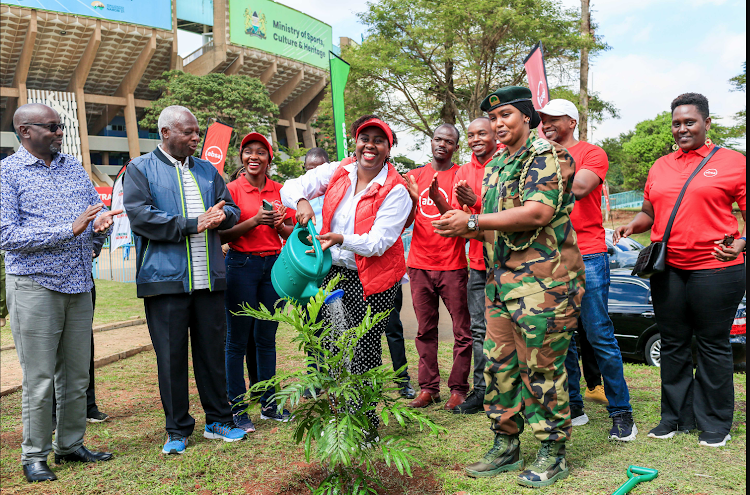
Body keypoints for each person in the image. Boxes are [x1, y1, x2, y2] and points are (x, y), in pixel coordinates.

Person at [433, 87, 584, 488]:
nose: (498, 125)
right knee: (500, 366)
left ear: (527, 118)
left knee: (542, 369)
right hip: (502, 284)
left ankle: (552, 452)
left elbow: (537, 211)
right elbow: (497, 221)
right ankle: (505, 443)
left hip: (543, 286)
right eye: (494, 118)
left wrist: (472, 223)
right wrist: (468, 221)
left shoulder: (549, 155)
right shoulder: (499, 161)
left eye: (505, 116)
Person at [614, 92, 746, 448]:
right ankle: (674, 418)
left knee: (712, 344)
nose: (682, 129)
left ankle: (715, 423)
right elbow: (650, 212)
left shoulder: (734, 162)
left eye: (690, 122)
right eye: (677, 123)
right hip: (668, 269)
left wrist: (742, 242)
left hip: (716, 269)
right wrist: (631, 225)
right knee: (673, 344)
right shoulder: (661, 165)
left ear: (707, 123)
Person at [1, 103, 119, 482]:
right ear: (25, 132)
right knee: (39, 378)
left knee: (76, 374)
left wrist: (99, 225)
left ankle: (69, 444)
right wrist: (67, 229)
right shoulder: (7, 174)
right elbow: (7, 236)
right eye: (51, 127)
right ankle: (34, 455)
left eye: (60, 126)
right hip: (34, 285)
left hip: (79, 282)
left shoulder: (72, 167)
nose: (58, 132)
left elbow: (94, 212)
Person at [123, 105, 246, 455]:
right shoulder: (139, 169)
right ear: (166, 133)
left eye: (197, 132)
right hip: (164, 281)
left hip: (209, 280)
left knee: (211, 353)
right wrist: (193, 224)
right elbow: (142, 217)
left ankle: (219, 420)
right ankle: (177, 430)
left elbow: (231, 208)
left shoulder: (208, 171)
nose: (196, 138)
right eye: (189, 132)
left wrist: (222, 214)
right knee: (171, 357)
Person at [280, 115, 412, 441]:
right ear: (356, 141)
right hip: (333, 275)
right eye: (364, 138)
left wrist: (340, 238)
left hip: (373, 280)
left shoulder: (395, 188)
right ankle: (340, 418)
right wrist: (301, 203)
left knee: (363, 353)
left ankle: (366, 427)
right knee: (333, 347)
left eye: (378, 140)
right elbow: (292, 186)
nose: (370, 145)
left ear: (388, 148)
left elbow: (379, 242)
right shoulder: (339, 170)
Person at [539, 98, 635, 439]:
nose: (546, 123)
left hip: (588, 255)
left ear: (572, 121)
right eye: (542, 119)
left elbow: (578, 188)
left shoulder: (592, 153)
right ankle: (574, 406)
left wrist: (544, 164)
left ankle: (621, 413)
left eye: (553, 119)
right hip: (550, 258)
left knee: (599, 336)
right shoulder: (538, 155)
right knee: (560, 337)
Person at [219, 132, 295, 430]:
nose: (254, 156)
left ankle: (270, 405)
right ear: (242, 157)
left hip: (274, 267)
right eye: (248, 151)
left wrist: (279, 224)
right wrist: (254, 222)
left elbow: (290, 234)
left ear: (269, 158)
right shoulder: (231, 189)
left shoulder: (280, 191)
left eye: (260, 152)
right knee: (236, 341)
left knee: (266, 339)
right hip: (241, 266)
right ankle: (237, 409)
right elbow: (222, 236)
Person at [402, 124, 472, 411]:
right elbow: (405, 223)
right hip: (418, 266)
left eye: (449, 141)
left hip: (452, 265)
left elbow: (462, 221)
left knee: (462, 331)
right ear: (431, 142)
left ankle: (458, 389)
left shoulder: (460, 176)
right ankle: (428, 388)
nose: (442, 144)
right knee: (424, 331)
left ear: (456, 146)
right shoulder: (414, 176)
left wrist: (436, 199)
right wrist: (414, 199)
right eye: (438, 139)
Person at [450, 117, 500, 414]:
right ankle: (481, 391)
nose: (476, 139)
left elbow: (509, 214)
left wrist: (476, 203)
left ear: (495, 133)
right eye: (471, 135)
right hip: (478, 265)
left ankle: (512, 391)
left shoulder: (505, 164)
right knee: (479, 330)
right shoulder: (464, 172)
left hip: (508, 262)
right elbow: (461, 221)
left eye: (482, 132)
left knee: (512, 329)